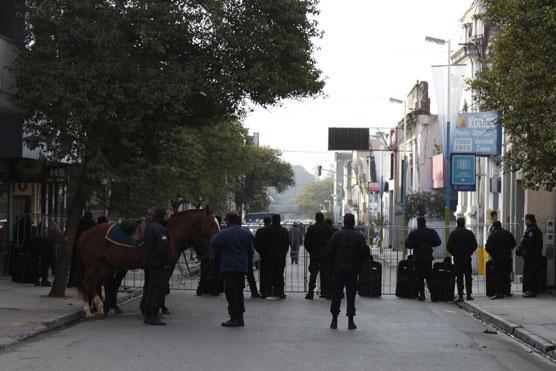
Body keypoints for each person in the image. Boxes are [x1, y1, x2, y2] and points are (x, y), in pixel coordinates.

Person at [327, 213, 370, 330]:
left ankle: (334, 320)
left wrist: (333, 265)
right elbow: (364, 253)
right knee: (351, 296)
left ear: (344, 222)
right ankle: (350, 320)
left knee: (336, 294)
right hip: (352, 270)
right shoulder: (359, 236)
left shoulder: (336, 235)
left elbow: (329, 252)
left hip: (338, 269)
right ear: (353, 222)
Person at [211, 212, 254, 327]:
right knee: (239, 292)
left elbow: (213, 242)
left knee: (230, 292)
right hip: (241, 267)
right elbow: (250, 250)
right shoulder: (246, 233)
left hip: (229, 267)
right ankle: (240, 317)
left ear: (228, 221)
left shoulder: (225, 233)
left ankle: (234, 317)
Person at [143, 207, 173, 325]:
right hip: (160, 264)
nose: (167, 217)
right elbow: (163, 248)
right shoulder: (160, 229)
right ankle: (152, 315)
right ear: (162, 216)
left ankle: (150, 313)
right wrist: (168, 261)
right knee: (158, 290)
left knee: (153, 288)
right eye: (166, 215)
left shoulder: (150, 226)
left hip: (153, 262)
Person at [405, 216, 441, 301]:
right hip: (428, 257)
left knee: (419, 277)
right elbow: (438, 242)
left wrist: (415, 244)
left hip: (418, 257)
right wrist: (430, 244)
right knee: (429, 276)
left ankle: (422, 295)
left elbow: (408, 245)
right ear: (425, 222)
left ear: (417, 223)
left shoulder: (413, 233)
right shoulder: (431, 232)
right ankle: (433, 295)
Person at [258, 214, 289, 299]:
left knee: (268, 274)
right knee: (279, 274)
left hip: (268, 255)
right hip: (279, 255)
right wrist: (283, 253)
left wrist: (263, 253)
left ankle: (267, 292)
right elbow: (286, 244)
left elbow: (261, 242)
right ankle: (279, 292)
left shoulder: (267, 230)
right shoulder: (284, 230)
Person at [447, 217, 478, 302]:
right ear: (464, 223)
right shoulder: (469, 233)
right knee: (468, 276)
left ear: (457, 223)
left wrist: (454, 253)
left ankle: (460, 296)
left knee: (459, 276)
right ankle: (469, 295)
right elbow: (475, 245)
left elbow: (449, 246)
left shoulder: (453, 233)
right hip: (467, 257)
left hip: (458, 258)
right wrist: (469, 251)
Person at [304, 212, 334, 300]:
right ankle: (327, 293)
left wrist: (311, 251)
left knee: (313, 274)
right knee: (326, 274)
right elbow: (333, 241)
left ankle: (310, 293)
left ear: (316, 218)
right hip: (326, 254)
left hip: (314, 254)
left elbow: (306, 242)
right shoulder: (329, 229)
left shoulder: (311, 228)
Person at [486, 221, 516, 299]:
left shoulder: (492, 235)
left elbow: (488, 247)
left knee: (497, 275)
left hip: (497, 258)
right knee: (506, 274)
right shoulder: (508, 233)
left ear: (494, 227)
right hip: (507, 257)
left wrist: (493, 254)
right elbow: (513, 244)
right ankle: (507, 292)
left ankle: (498, 293)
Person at [68, 211, 96, 287]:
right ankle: (82, 281)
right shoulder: (93, 224)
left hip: (77, 245)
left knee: (74, 264)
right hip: (87, 247)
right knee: (85, 265)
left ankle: (72, 281)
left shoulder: (78, 222)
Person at [519, 214, 543, 298]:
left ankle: (531, 291)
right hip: (531, 255)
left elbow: (530, 243)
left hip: (531, 256)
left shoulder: (532, 230)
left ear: (529, 220)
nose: (525, 222)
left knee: (530, 273)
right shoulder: (532, 229)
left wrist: (523, 242)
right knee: (530, 273)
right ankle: (530, 290)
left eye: (525, 220)